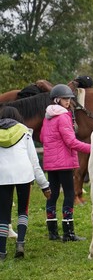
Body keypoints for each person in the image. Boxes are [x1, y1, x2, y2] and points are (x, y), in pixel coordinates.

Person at [41, 83, 91, 242]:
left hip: (51, 163)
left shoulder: (47, 116)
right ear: (56, 100)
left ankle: (53, 232)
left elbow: (42, 138)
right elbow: (72, 142)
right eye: (64, 99)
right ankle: (68, 233)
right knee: (69, 195)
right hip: (64, 163)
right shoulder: (63, 117)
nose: (68, 102)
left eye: (69, 99)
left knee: (53, 195)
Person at [0, 107, 51, 259]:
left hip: (2, 176)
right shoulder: (24, 131)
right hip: (23, 173)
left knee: (3, 215)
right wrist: (44, 185)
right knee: (23, 210)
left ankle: (1, 252)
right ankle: (20, 242)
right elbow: (34, 162)